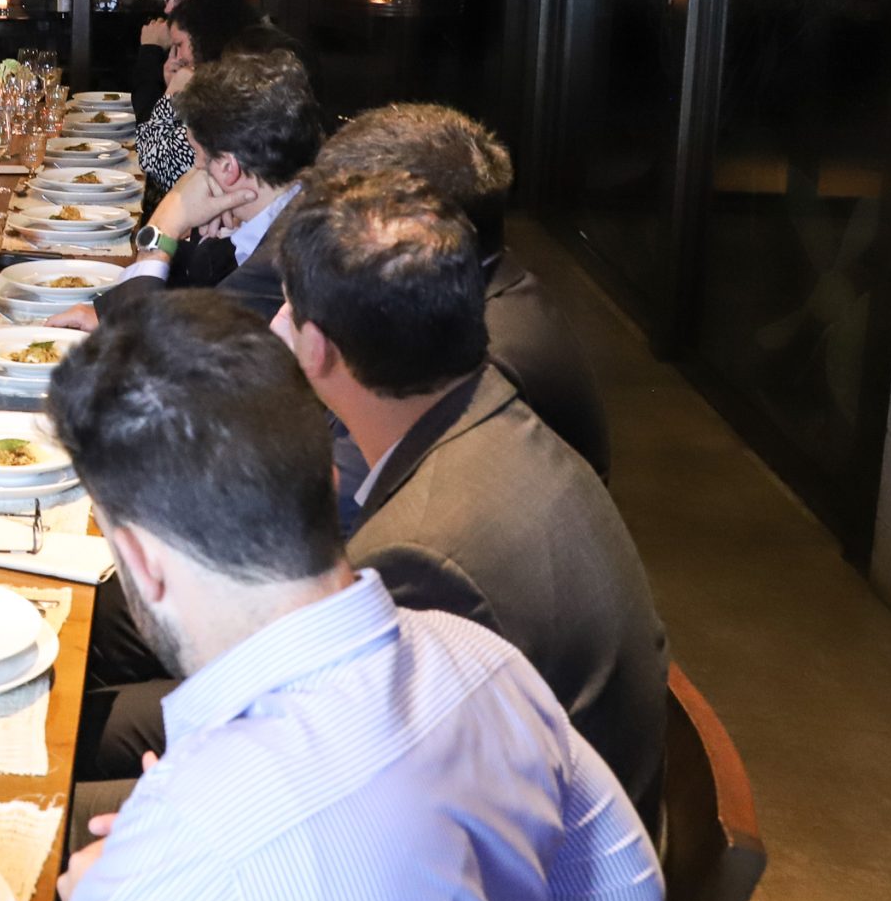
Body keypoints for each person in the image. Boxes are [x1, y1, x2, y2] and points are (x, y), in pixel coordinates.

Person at [0, 294, 663, 901]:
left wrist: (131, 895)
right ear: (327, 481)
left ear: (143, 563)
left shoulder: (205, 834)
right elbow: (621, 897)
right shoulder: (482, 660)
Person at [278, 172, 665, 812]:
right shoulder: (494, 412)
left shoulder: (423, 556)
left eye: (288, 311)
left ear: (314, 348)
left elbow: (361, 794)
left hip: (520, 858)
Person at [307, 103, 611, 483]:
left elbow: (340, 495)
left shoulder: (472, 359)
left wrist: (316, 367)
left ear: (419, 231)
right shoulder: (479, 290)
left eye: (345, 221)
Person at [85, 51, 322, 328]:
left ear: (228, 167)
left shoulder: (280, 261)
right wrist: (106, 314)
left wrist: (162, 228)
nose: (194, 169)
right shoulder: (295, 208)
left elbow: (149, 347)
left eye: (198, 153)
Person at [133, 0, 257, 191]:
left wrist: (170, 95)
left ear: (202, 40)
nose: (176, 56)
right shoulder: (223, 79)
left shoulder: (220, 95)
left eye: (179, 45)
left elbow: (152, 162)